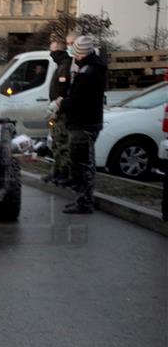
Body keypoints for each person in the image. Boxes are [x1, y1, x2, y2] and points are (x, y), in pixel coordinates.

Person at [54, 35, 106, 214]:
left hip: (82, 124)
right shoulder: (95, 68)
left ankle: (84, 202)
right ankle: (83, 200)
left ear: (80, 53)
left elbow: (78, 100)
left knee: (81, 165)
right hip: (90, 122)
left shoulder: (87, 73)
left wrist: (62, 103)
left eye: (74, 50)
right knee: (85, 163)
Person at [43, 40, 73, 186]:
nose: (51, 54)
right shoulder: (61, 65)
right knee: (55, 143)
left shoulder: (65, 66)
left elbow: (63, 90)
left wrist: (57, 107)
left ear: (59, 52)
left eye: (53, 51)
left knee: (62, 143)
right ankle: (56, 171)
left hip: (61, 111)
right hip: (57, 110)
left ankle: (64, 172)